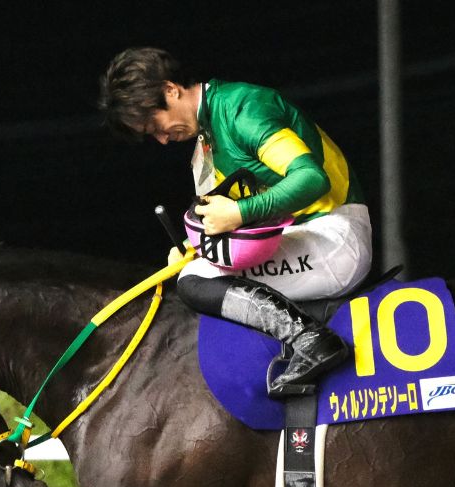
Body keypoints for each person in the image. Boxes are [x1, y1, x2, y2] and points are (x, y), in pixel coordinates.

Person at [97, 47, 372, 395]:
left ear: (171, 90)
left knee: (196, 282)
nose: (162, 140)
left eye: (156, 126)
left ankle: (312, 339)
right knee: (192, 269)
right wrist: (192, 247)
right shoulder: (206, 137)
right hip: (303, 238)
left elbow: (312, 179)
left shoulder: (242, 107)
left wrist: (240, 212)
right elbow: (229, 227)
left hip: (335, 236)